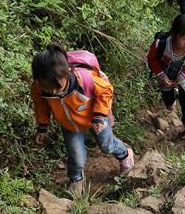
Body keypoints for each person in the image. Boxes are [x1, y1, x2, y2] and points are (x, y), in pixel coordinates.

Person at [30, 44, 134, 197]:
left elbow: (106, 90)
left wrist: (99, 116)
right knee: (76, 155)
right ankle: (76, 180)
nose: (53, 91)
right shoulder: (39, 88)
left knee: (106, 144)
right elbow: (41, 107)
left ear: (67, 73)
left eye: (57, 86)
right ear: (38, 80)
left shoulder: (84, 79)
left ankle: (125, 154)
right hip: (69, 125)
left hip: (95, 118)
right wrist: (42, 126)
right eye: (47, 86)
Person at [146, 14, 185, 137]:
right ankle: (172, 99)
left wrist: (184, 75)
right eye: (184, 38)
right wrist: (162, 75)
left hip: (184, 78)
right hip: (165, 76)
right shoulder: (161, 45)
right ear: (174, 34)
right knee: (168, 99)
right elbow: (152, 59)